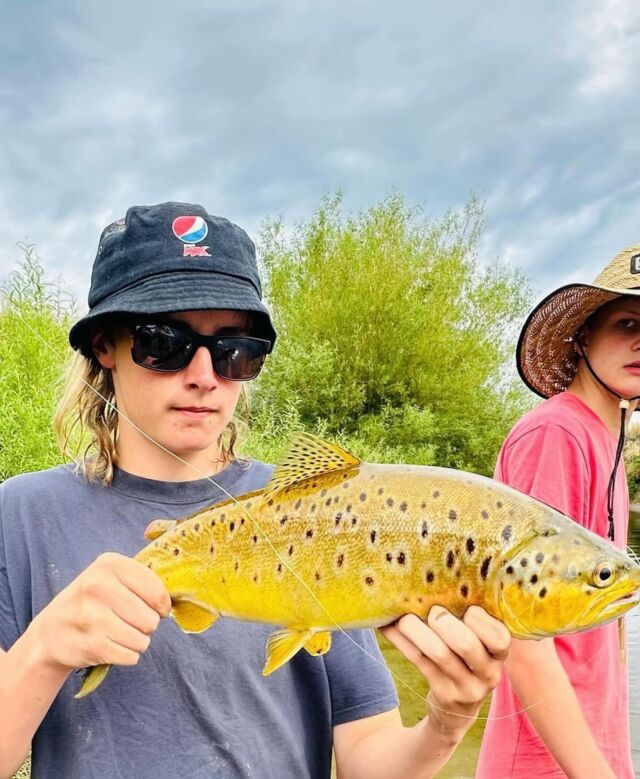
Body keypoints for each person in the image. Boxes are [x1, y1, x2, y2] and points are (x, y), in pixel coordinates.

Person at [0, 201, 509, 779]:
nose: (203, 374)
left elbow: (371, 761)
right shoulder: (18, 515)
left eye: (233, 350)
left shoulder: (331, 510)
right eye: (162, 341)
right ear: (103, 346)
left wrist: (448, 719)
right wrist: (44, 651)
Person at [476, 245, 640, 779]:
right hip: (546, 765)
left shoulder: (605, 439)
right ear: (583, 335)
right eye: (626, 321)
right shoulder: (556, 433)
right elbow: (521, 632)